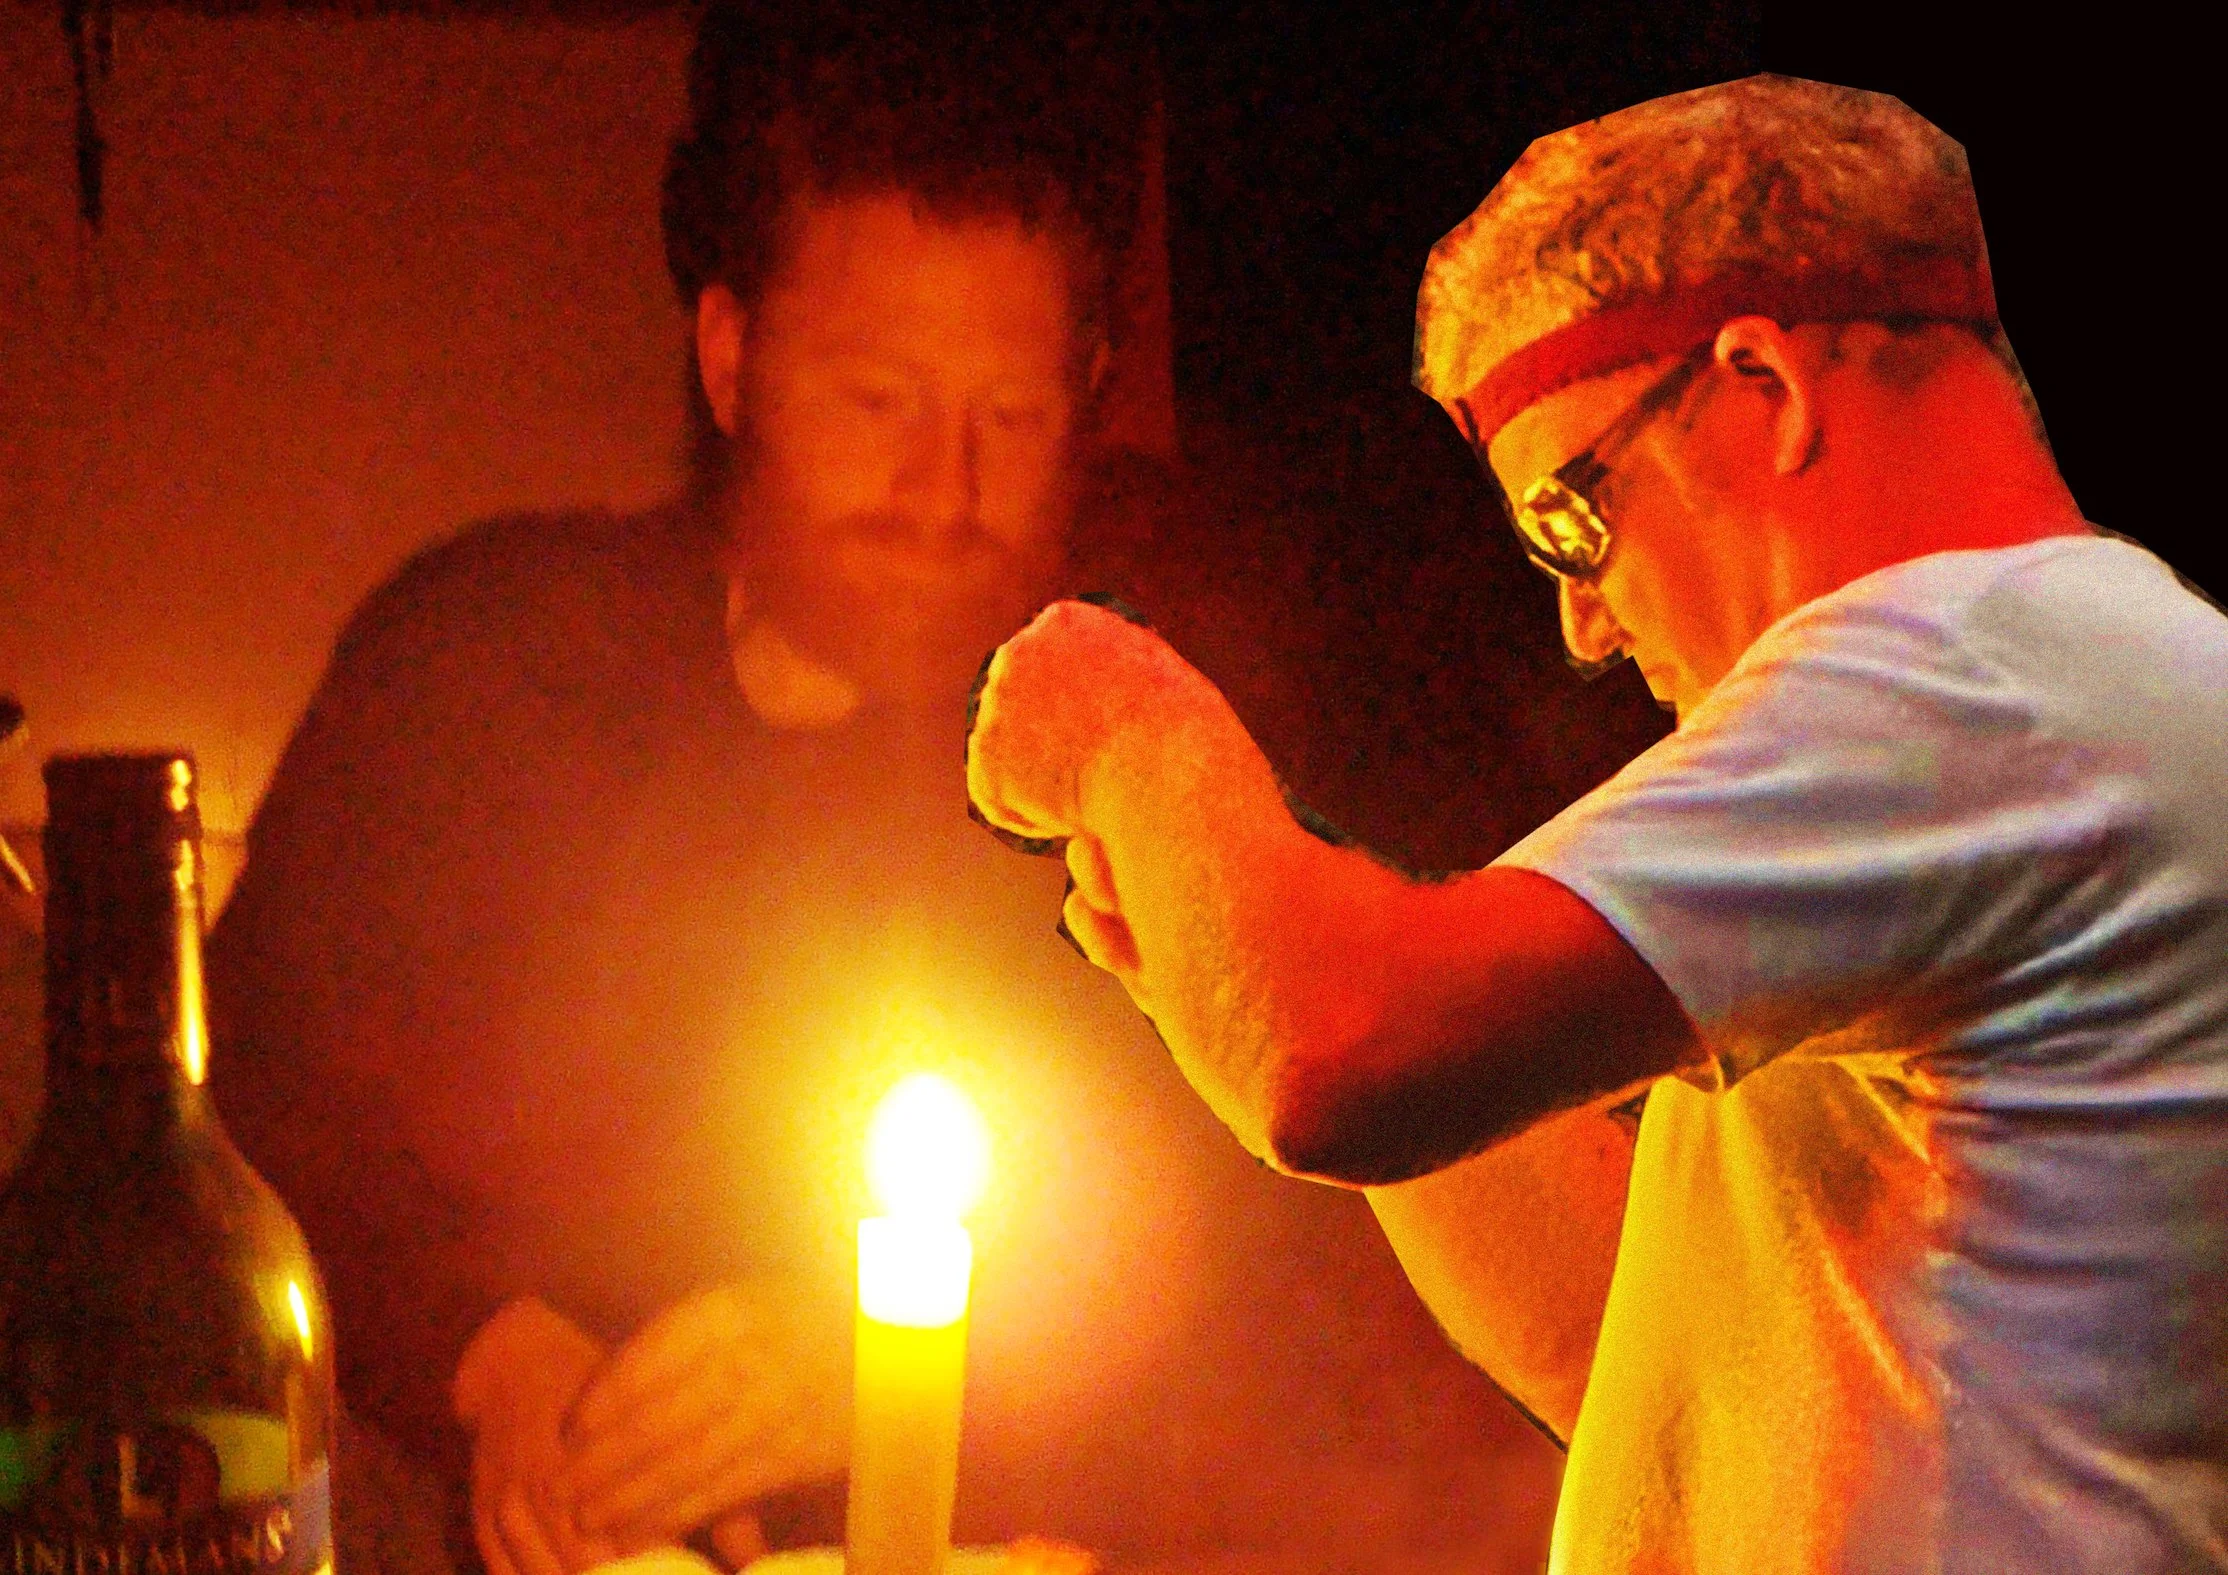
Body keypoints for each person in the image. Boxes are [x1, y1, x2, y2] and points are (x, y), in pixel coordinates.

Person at [208, 6, 1547, 1574]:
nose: (945, 490)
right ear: (730, 359)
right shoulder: (477, 676)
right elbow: (267, 1112)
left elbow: (1336, 1246)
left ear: (1093, 392)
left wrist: (916, 1362)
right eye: (877, 401)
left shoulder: (1210, 713)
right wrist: (489, 1351)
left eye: (1012, 416)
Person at [966, 73, 2228, 1573]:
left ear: (1764, 386)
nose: (1580, 622)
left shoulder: (1976, 664)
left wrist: (1127, 725)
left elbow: (1340, 1050)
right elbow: (1610, 1342)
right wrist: (1209, 934)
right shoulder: (2037, 704)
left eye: (1571, 515)